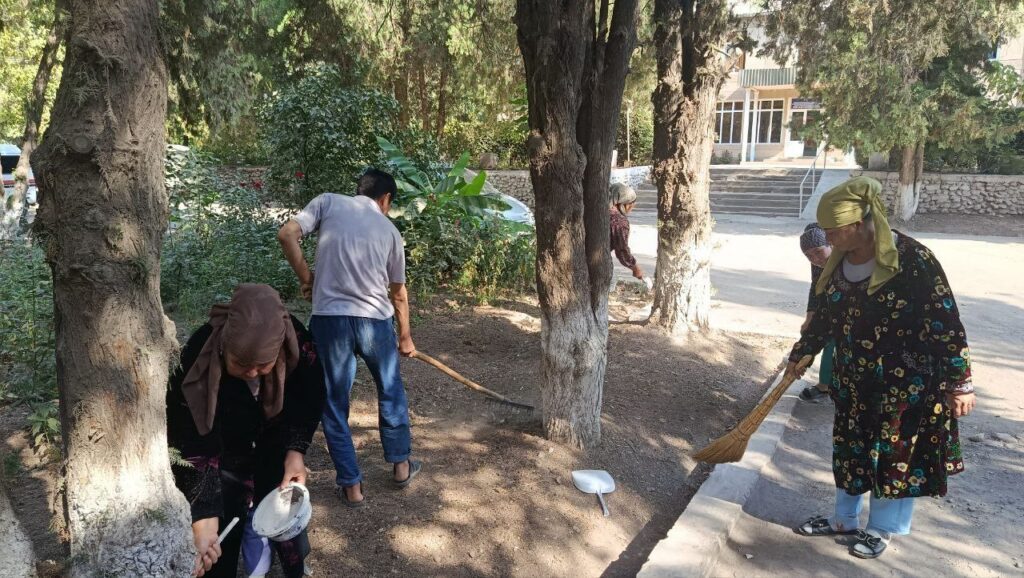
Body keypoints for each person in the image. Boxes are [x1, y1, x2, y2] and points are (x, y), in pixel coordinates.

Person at [788, 176, 976, 560]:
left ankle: (881, 528)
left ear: (857, 224)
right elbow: (824, 316)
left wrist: (960, 382)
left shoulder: (913, 260)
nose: (826, 238)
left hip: (905, 385)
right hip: (854, 380)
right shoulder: (837, 263)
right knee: (850, 448)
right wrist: (801, 354)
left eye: (832, 230)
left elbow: (946, 322)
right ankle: (844, 519)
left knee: (894, 454)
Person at [278, 168, 420, 509]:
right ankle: (401, 466)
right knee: (390, 390)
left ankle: (352, 486)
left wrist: (307, 278)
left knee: (333, 401)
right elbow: (398, 294)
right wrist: (405, 337)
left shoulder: (328, 203)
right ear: (385, 199)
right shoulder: (390, 231)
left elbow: (287, 234)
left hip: (330, 321)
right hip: (376, 322)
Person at [167, 284, 325, 578]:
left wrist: (295, 451)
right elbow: (189, 437)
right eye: (240, 363)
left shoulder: (296, 343)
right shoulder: (198, 355)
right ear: (225, 345)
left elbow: (309, 397)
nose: (252, 373)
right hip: (221, 458)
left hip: (273, 447)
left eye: (263, 365)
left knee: (283, 523)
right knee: (217, 543)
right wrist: (204, 512)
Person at [797, 222, 835, 402]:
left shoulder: (846, 258)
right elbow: (816, 286)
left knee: (831, 341)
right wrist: (810, 316)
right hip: (828, 306)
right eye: (809, 256)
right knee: (823, 338)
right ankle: (826, 384)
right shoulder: (818, 260)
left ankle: (826, 386)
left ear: (830, 244)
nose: (815, 259)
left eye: (818, 252)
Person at [609, 182, 645, 290]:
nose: (632, 207)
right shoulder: (619, 221)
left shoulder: (600, 211)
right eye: (631, 204)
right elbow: (622, 250)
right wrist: (635, 268)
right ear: (624, 203)